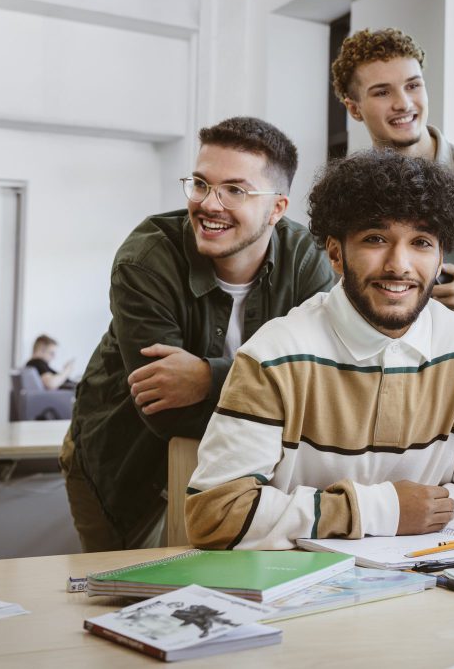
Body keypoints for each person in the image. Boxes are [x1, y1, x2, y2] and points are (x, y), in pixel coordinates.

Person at [185, 150, 454, 550]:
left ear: (440, 259)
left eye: (421, 242)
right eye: (375, 239)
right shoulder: (274, 356)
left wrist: (417, 516)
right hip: (297, 595)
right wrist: (384, 510)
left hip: (427, 587)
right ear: (335, 254)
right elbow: (215, 513)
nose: (399, 264)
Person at [62, 116, 335, 552]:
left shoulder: (306, 261)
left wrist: (208, 378)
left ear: (277, 208)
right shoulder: (145, 259)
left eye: (235, 190)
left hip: (242, 480)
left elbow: (331, 382)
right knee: (131, 602)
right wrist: (280, 401)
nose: (210, 203)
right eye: (201, 184)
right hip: (125, 466)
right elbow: (163, 411)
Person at [331, 27, 454, 322]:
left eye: (413, 86)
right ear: (354, 108)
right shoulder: (345, 194)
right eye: (383, 92)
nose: (403, 103)